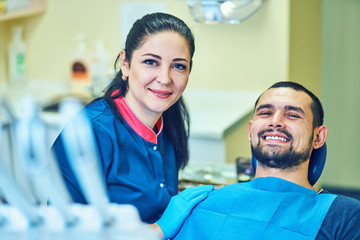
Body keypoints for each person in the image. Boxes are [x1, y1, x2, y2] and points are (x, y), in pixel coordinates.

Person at [51, 12, 208, 224]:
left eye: (178, 66)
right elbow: (62, 227)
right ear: (125, 63)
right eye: (151, 62)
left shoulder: (168, 121)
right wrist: (158, 230)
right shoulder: (91, 130)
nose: (165, 78)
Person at [156, 81, 360, 240]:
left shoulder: (344, 215)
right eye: (266, 112)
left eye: (292, 115)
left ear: (318, 137)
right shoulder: (200, 202)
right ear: (250, 130)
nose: (275, 122)